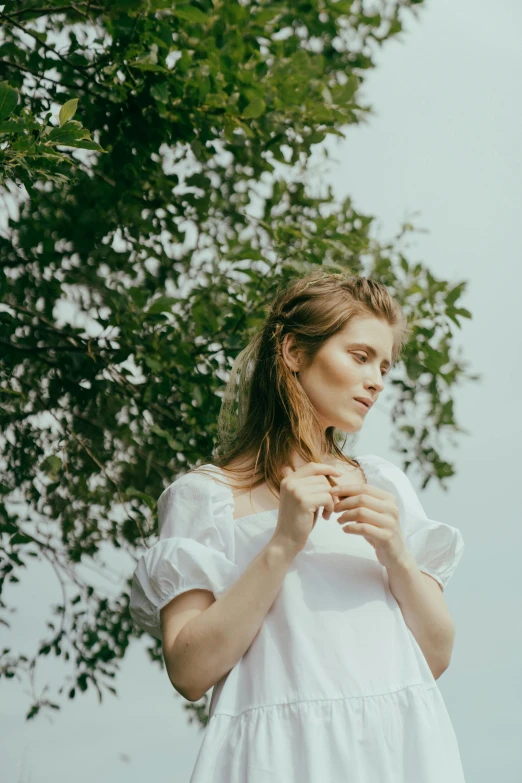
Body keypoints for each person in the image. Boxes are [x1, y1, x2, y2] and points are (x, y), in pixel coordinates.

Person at [130, 270, 466, 782]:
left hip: (397, 749)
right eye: (359, 356)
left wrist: (396, 553)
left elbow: (437, 655)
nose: (376, 379)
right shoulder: (205, 497)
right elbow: (189, 671)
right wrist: (283, 543)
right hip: (276, 756)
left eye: (384, 364)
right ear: (292, 351)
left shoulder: (383, 486)